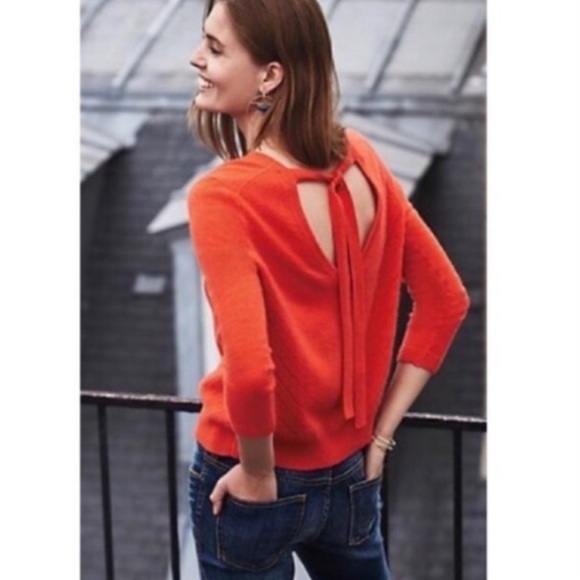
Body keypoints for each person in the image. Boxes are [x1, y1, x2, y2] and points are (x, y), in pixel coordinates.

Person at [185, 0, 470, 578]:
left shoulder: (223, 197)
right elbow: (446, 301)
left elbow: (250, 370)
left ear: (270, 75)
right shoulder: (361, 158)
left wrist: (258, 472)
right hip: (349, 471)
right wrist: (379, 438)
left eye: (214, 48)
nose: (196, 58)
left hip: (251, 471)